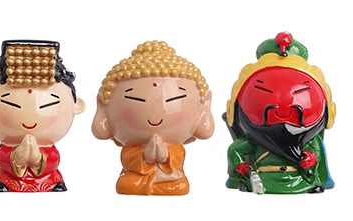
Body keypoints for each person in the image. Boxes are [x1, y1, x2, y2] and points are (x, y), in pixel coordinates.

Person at [93, 41, 213, 195]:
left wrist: (167, 154)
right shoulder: (130, 150)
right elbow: (127, 159)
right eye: (136, 100)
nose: (155, 117)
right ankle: (159, 179)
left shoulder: (176, 148)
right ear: (103, 107)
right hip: (136, 176)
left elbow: (178, 155)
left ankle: (162, 178)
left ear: (205, 106)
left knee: (181, 186)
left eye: (173, 100)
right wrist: (145, 155)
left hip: (171, 176)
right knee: (125, 184)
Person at [225, 32, 334, 193]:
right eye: (263, 94)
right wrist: (243, 168)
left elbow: (315, 154)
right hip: (263, 178)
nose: (282, 111)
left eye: (301, 92)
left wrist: (310, 159)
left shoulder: (309, 141)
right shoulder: (253, 141)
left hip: (299, 180)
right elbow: (235, 151)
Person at [0, 40, 84, 192]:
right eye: (11, 104)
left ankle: (52, 185)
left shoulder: (49, 148)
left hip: (48, 178)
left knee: (53, 183)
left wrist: (38, 159)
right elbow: (0, 158)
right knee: (2, 182)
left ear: (76, 106)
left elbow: (54, 159)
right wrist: (17, 157)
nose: (30, 118)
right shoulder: (6, 147)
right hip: (7, 176)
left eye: (47, 105)